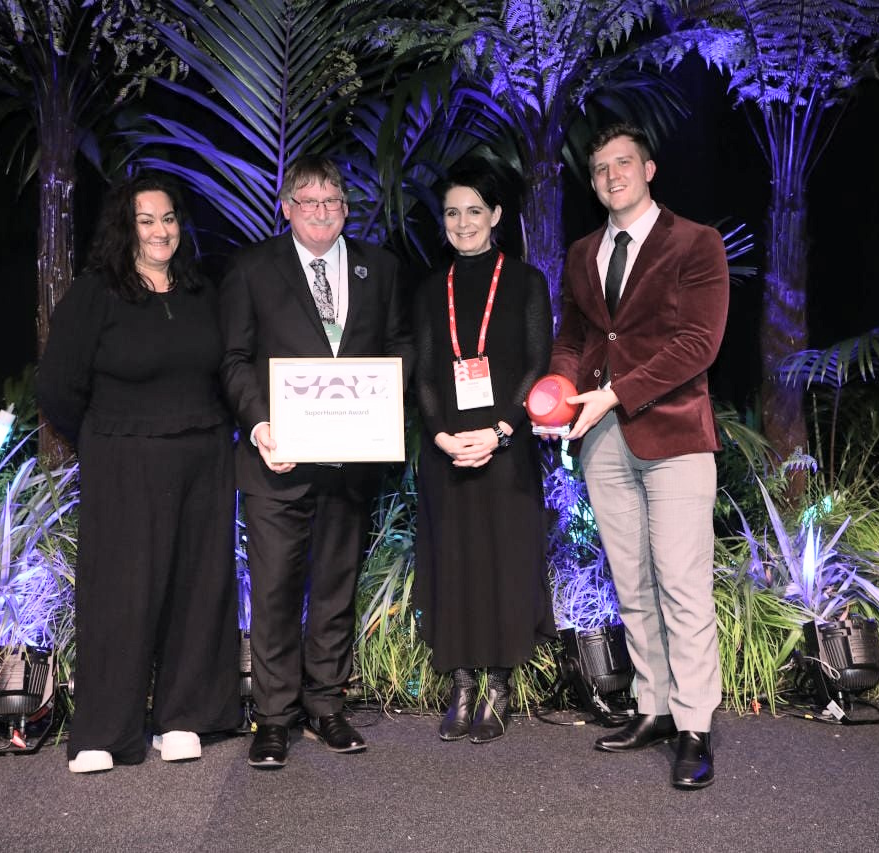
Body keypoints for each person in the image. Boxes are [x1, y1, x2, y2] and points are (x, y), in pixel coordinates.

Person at [36, 171, 242, 774]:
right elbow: (57, 387)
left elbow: (227, 371)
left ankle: (181, 719)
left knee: (196, 589)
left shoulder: (205, 290)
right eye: (147, 220)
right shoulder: (95, 293)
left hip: (204, 458)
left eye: (169, 218)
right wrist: (105, 441)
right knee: (121, 594)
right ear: (126, 227)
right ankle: (105, 731)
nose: (161, 230)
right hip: (124, 461)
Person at [549, 123, 729, 789]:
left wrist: (614, 394)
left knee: (682, 584)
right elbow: (575, 334)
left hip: (676, 435)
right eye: (599, 167)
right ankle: (652, 706)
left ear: (649, 169)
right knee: (633, 583)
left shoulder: (696, 243)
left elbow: (697, 344)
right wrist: (561, 389)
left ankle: (695, 727)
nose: (611, 174)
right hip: (601, 438)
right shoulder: (581, 252)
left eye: (623, 162)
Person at [219, 155, 413, 769]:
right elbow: (234, 360)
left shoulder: (379, 269)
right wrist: (260, 426)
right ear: (287, 209)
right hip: (279, 460)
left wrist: (383, 401)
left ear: (346, 208)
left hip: (351, 461)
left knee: (334, 586)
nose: (322, 213)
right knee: (275, 591)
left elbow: (400, 345)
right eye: (308, 202)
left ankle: (326, 705)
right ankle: (273, 717)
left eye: (332, 201)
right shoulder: (253, 271)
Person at [412, 164, 556, 744]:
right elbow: (423, 372)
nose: (463, 222)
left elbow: (536, 364)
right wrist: (444, 435)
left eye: (475, 210)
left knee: (503, 561)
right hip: (446, 448)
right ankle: (462, 684)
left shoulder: (525, 281)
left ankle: (498, 686)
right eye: (452, 212)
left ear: (496, 216)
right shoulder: (429, 288)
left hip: (506, 446)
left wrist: (498, 432)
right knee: (456, 563)